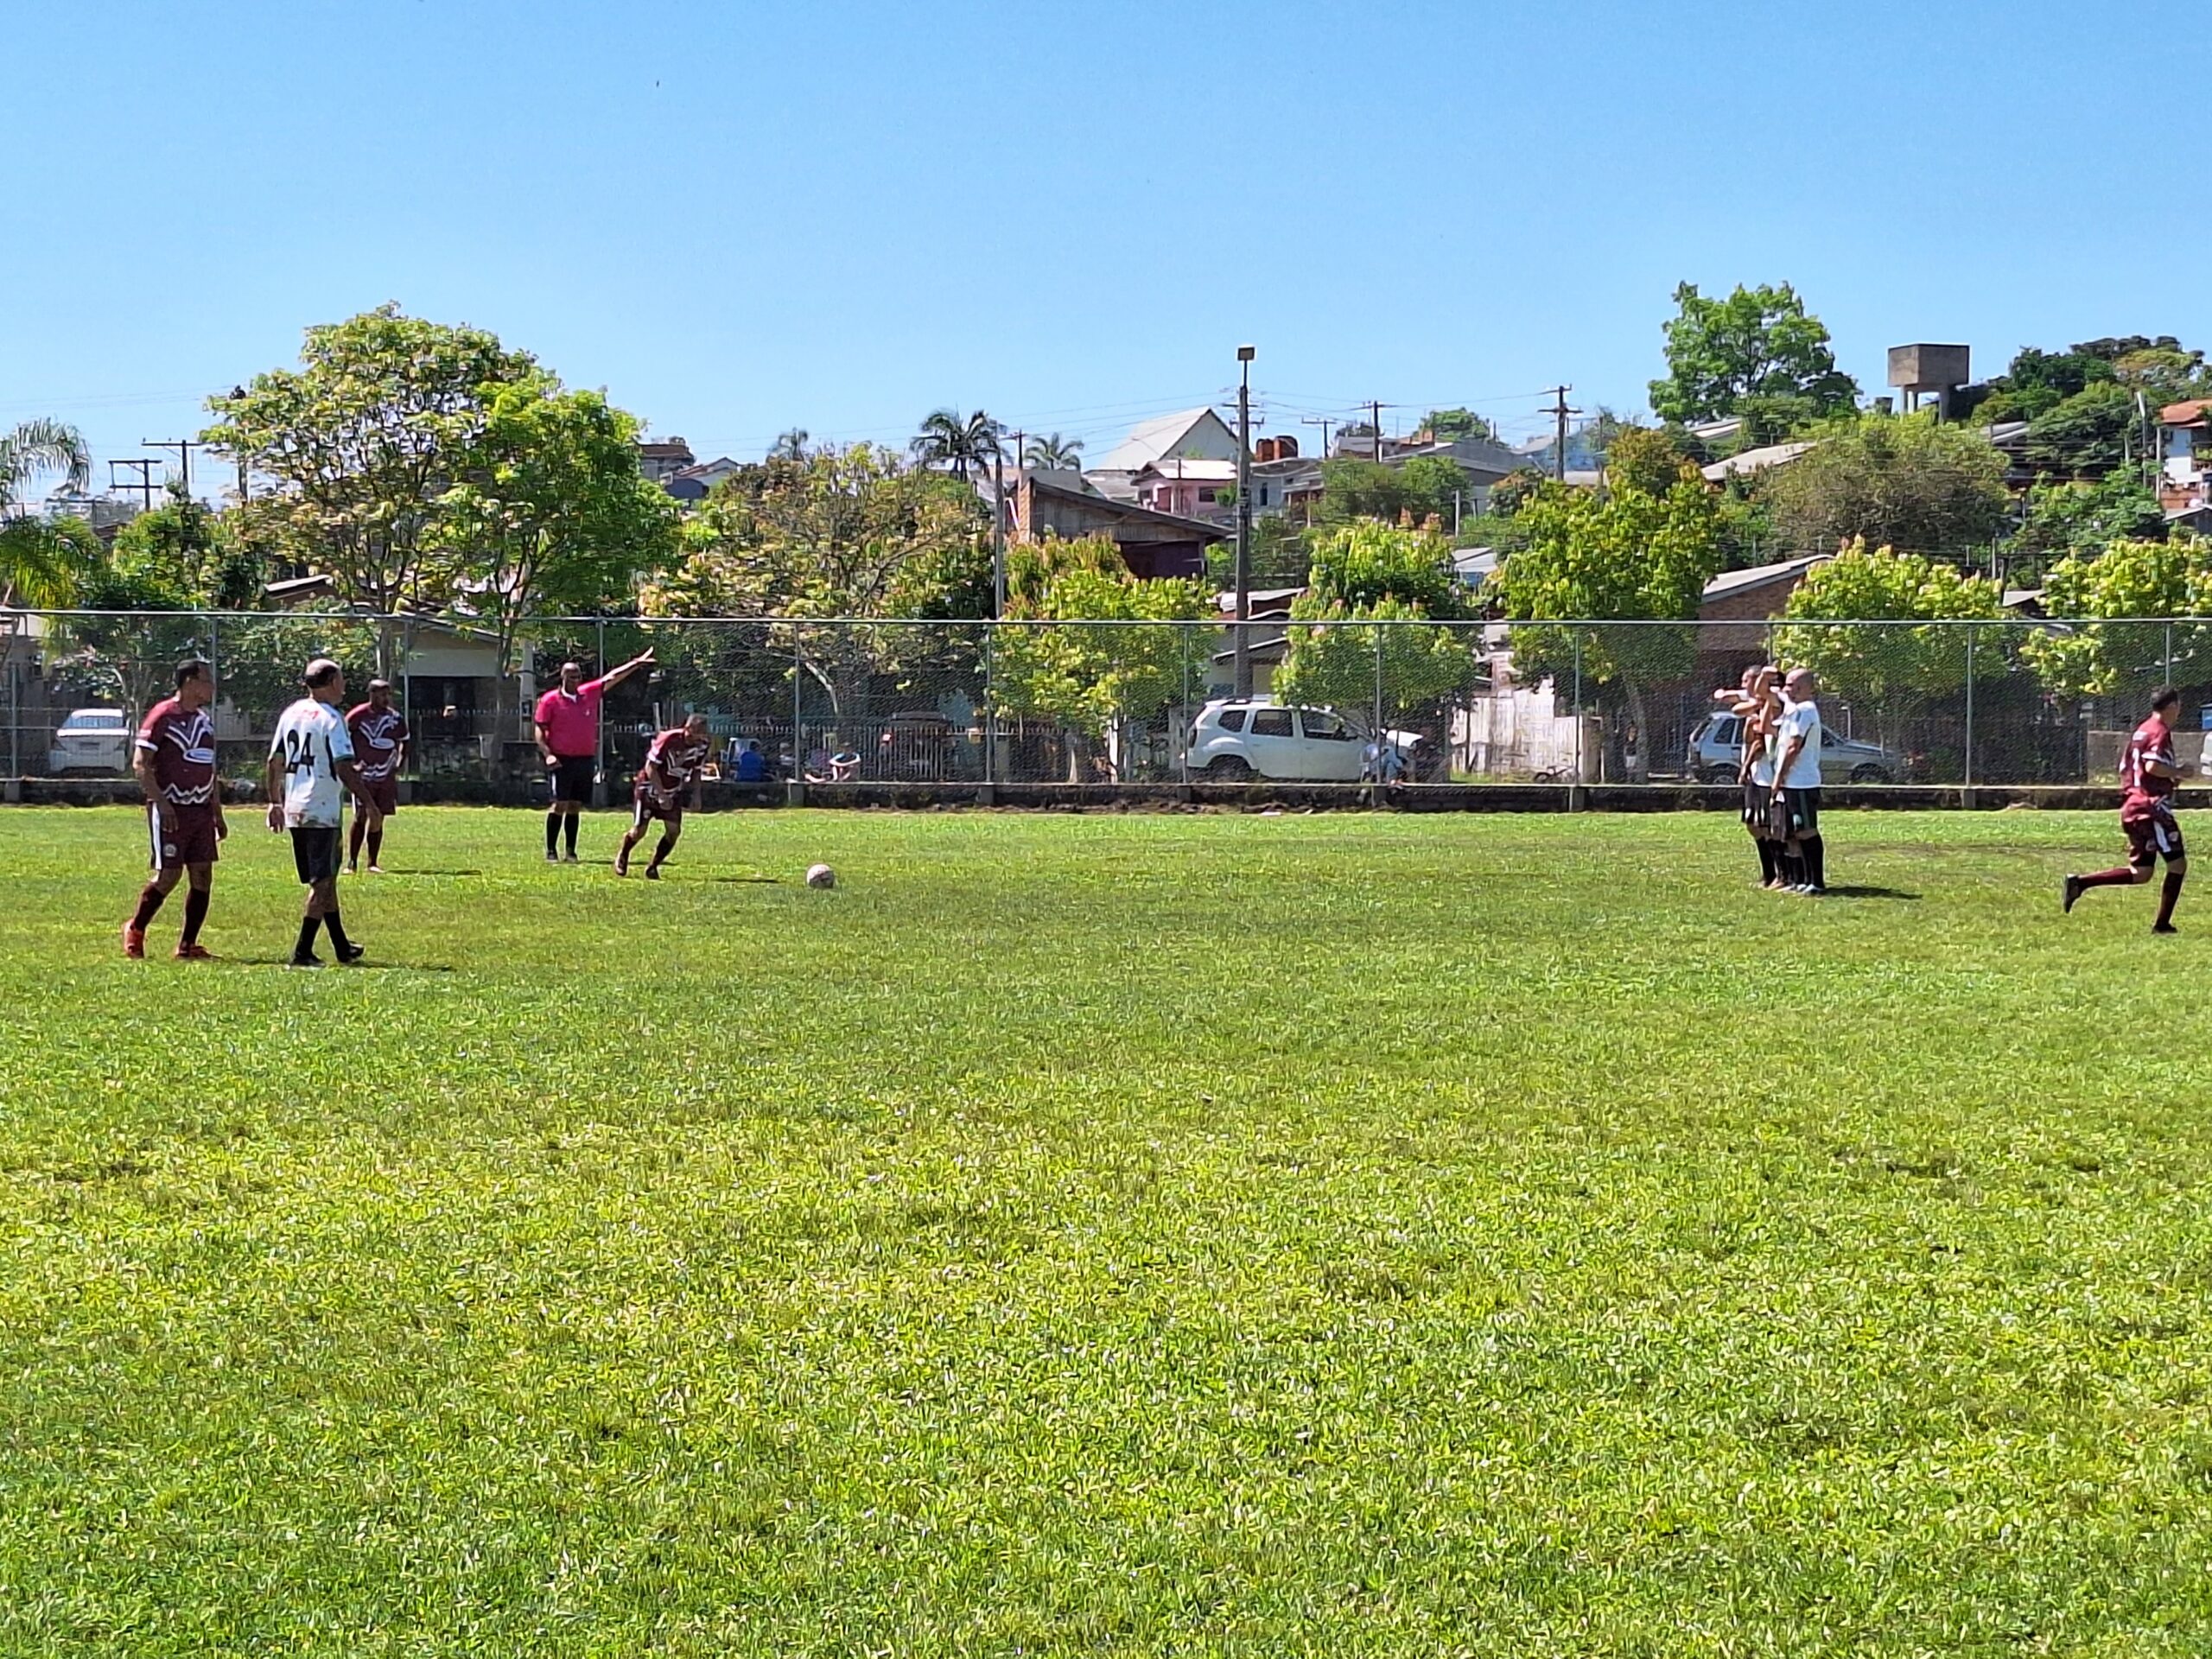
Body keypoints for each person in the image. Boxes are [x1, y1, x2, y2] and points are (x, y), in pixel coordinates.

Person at [265, 658, 378, 968]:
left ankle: (342, 946)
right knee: (323, 883)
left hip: (296, 808)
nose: (343, 686)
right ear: (330, 683)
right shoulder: (331, 718)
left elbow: (274, 761)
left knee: (325, 879)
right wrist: (368, 802)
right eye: (341, 680)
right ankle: (302, 951)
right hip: (322, 809)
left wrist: (275, 802)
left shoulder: (291, 713)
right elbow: (342, 765)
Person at [2065, 685, 2196, 933]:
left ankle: (2080, 883)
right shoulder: (2159, 731)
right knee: (2177, 865)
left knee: (2142, 872)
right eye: (2178, 706)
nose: (2179, 711)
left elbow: (2129, 768)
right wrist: (2178, 772)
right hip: (2151, 809)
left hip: (2133, 806)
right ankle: (2162, 925)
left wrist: (2168, 779)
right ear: (2171, 707)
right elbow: (2151, 766)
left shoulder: (2141, 731)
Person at [124, 658, 228, 960]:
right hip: (172, 809)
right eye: (206, 680)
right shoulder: (162, 716)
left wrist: (217, 812)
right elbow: (140, 765)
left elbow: (209, 768)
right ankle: (136, 928)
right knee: (168, 875)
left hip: (200, 811)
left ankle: (187, 945)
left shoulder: (204, 721)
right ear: (190, 682)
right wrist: (162, 803)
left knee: (202, 875)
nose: (211, 686)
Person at [533, 650, 654, 862]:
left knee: (575, 805)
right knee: (559, 804)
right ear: (562, 677)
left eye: (578, 676)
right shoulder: (550, 700)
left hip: (584, 758)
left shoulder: (587, 694)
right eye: (571, 676)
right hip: (561, 758)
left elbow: (612, 678)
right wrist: (548, 755)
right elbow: (539, 729)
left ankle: (570, 851)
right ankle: (551, 851)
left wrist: (635, 663)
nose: (576, 680)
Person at [615, 713, 711, 879]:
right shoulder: (669, 739)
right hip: (649, 787)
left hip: (673, 790)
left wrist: (697, 795)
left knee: (674, 831)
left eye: (702, 734)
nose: (698, 738)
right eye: (696, 733)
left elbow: (696, 771)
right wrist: (661, 794)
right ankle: (623, 855)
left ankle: (653, 866)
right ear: (687, 728)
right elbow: (650, 767)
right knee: (639, 831)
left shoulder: (703, 745)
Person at [1717, 664, 1785, 888]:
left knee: (1767, 826)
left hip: (1767, 775)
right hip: (1757, 776)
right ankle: (1769, 874)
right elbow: (1733, 706)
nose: (1744, 685)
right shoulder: (1756, 702)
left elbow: (1759, 743)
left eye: (1748, 681)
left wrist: (1744, 767)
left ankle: (1779, 875)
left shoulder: (1773, 703)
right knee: (1754, 825)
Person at [1769, 666, 1827, 896]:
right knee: (1797, 831)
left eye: (1791, 685)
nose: (1786, 689)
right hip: (1793, 783)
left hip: (1802, 781)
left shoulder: (1806, 710)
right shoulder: (1795, 709)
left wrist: (1779, 777)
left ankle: (1817, 882)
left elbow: (1794, 747)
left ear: (1803, 688)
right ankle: (1804, 880)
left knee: (1807, 830)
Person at [344, 677, 410, 874]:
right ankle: (352, 862)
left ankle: (372, 862)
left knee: (379, 816)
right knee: (361, 814)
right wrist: (351, 764)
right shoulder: (357, 716)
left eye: (387, 694)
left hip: (385, 774)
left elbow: (405, 741)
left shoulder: (395, 718)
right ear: (371, 694)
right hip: (363, 776)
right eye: (381, 694)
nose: (385, 698)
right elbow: (341, 739)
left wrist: (398, 764)